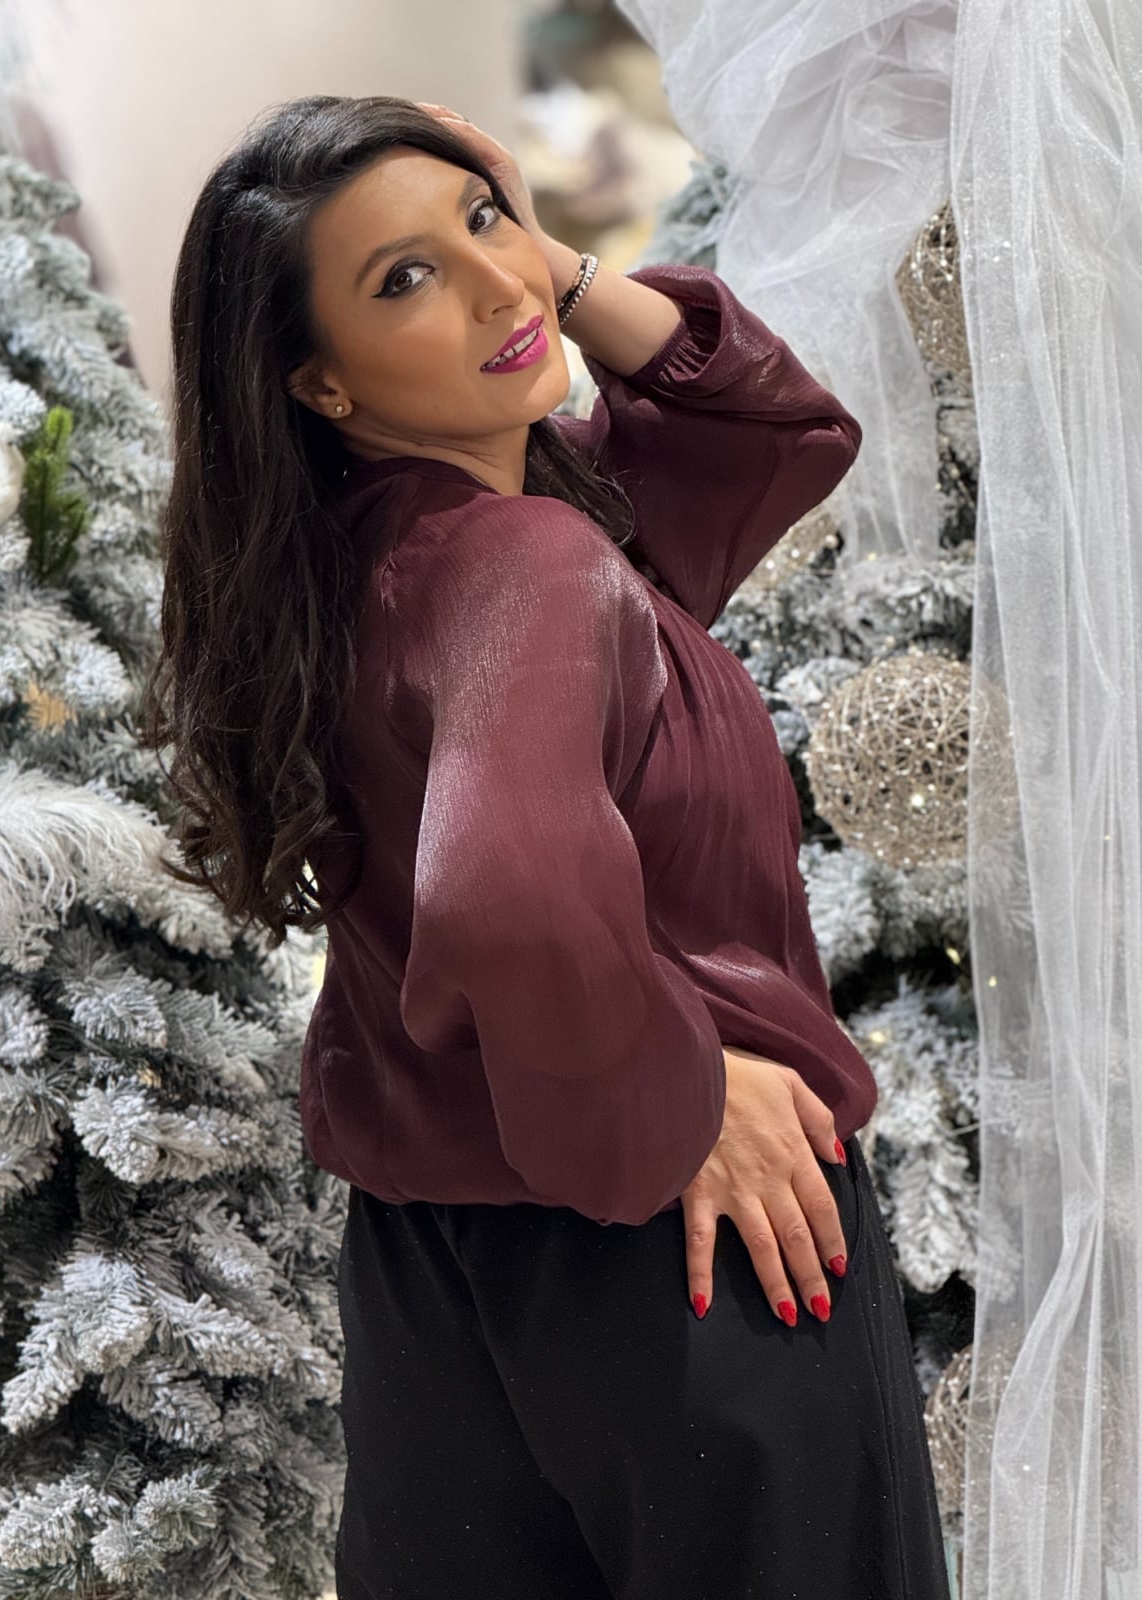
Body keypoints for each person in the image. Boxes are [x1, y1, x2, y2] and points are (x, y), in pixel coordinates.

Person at [141, 92, 952, 1600]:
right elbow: (509, 896)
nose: (494, 287)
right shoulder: (523, 560)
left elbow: (775, 430)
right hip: (688, 1250)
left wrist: (546, 260)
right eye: (406, 278)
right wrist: (685, 1100)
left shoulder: (374, 562)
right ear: (319, 380)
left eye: (482, 224)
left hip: (435, 1274)